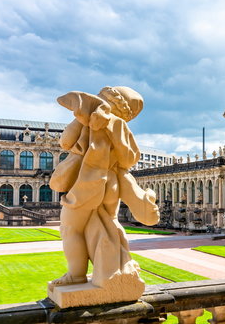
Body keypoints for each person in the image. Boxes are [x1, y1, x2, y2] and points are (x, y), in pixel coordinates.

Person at [48, 86, 159, 289]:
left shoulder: (88, 121)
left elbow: (65, 142)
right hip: (112, 184)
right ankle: (121, 264)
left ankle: (76, 274)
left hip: (88, 183)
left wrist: (82, 117)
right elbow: (129, 159)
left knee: (70, 228)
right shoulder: (121, 128)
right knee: (110, 223)